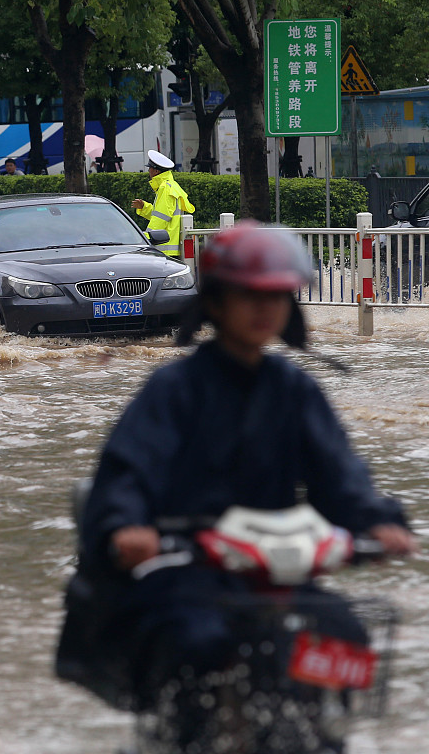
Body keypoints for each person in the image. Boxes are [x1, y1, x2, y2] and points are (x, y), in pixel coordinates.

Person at [59, 222, 417, 730]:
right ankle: (183, 737)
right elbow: (129, 470)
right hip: (187, 571)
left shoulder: (295, 390)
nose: (262, 307)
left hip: (274, 574)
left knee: (344, 634)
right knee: (195, 642)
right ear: (216, 302)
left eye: (275, 296)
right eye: (248, 294)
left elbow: (341, 475)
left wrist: (378, 523)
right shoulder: (173, 388)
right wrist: (126, 526)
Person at [131, 150, 193, 258]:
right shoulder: (170, 185)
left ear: (155, 171)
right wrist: (144, 207)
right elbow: (161, 213)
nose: (148, 171)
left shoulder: (165, 188)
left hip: (165, 248)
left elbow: (161, 219)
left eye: (149, 168)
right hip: (168, 247)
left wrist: (146, 238)